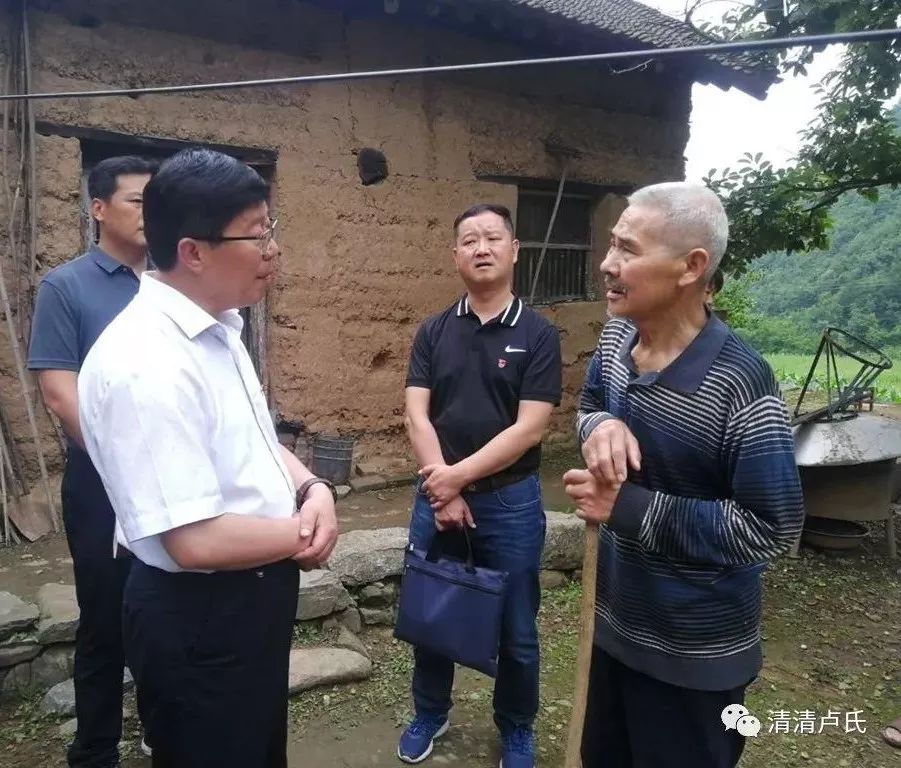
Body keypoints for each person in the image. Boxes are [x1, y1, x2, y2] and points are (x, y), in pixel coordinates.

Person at [77, 148, 339, 768]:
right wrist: (303, 530)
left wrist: (311, 487)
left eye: (269, 229)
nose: (272, 249)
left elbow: (249, 438)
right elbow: (192, 540)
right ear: (193, 251)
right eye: (256, 235)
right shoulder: (147, 363)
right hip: (201, 616)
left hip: (248, 594)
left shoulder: (219, 325)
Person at [563, 182, 804, 768]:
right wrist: (598, 428)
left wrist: (626, 507)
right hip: (614, 626)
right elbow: (590, 400)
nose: (607, 264)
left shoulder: (741, 385)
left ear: (691, 267)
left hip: (695, 658)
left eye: (628, 249)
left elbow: (771, 527)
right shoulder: (619, 336)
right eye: (612, 245)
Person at [399, 203, 562, 768]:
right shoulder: (434, 331)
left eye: (494, 237)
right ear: (455, 255)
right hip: (436, 496)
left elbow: (531, 426)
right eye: (469, 239)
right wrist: (442, 490)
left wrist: (457, 480)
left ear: (515, 250)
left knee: (517, 628)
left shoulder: (537, 335)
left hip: (509, 503)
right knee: (432, 611)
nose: (482, 248)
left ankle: (515, 726)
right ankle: (430, 711)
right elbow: (418, 416)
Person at [28, 154, 158, 767]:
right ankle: (96, 748)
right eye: (136, 200)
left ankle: (163, 728)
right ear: (99, 209)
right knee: (103, 620)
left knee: (163, 611)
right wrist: (121, 459)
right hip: (102, 485)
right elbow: (60, 392)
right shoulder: (67, 286)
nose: (147, 212)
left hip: (170, 480)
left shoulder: (170, 285)